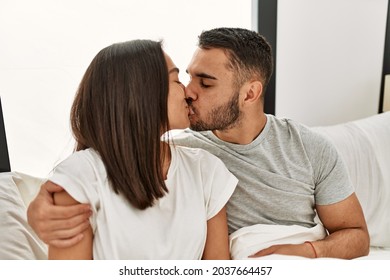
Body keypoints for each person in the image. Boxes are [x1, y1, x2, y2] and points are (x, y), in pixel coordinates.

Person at [28, 28, 370, 259]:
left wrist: (302, 253)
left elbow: (356, 234)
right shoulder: (186, 151)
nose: (189, 91)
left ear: (250, 93)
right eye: (185, 77)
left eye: (204, 83)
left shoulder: (308, 149)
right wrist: (39, 206)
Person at [36, 39, 238, 259]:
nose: (187, 93)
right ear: (142, 93)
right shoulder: (82, 176)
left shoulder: (205, 170)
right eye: (175, 80)